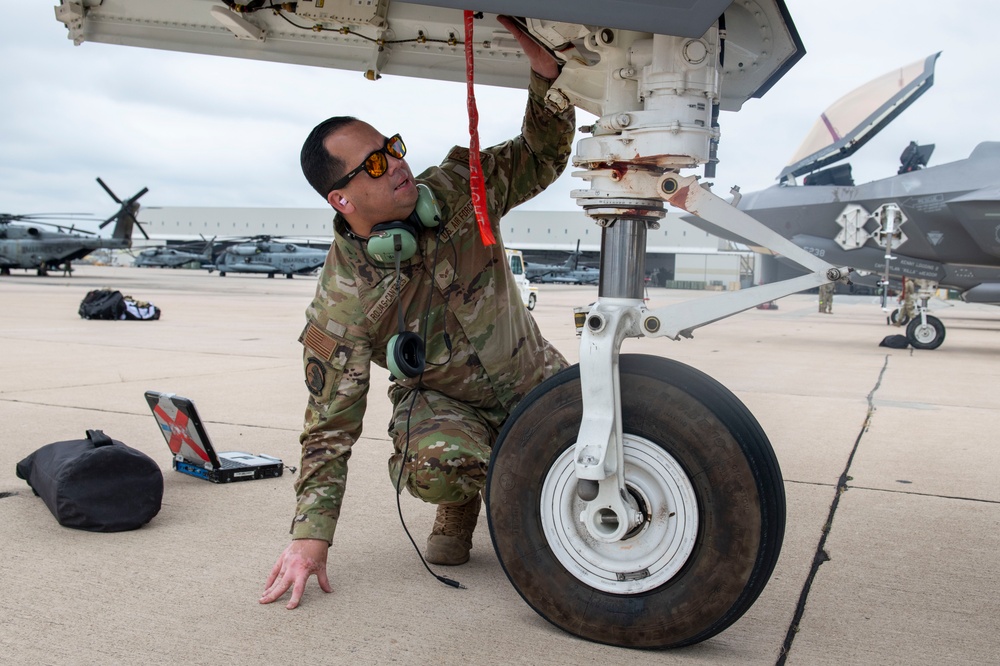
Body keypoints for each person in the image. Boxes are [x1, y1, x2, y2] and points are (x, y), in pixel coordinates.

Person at [259, 16, 575, 610]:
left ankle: (510, 461)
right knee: (436, 465)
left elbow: (540, 156)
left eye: (391, 149)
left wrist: (545, 78)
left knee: (607, 454)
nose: (397, 165)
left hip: (534, 373)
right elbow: (330, 425)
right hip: (444, 400)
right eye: (374, 166)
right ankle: (464, 493)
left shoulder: (455, 188)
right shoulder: (343, 300)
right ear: (343, 199)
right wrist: (309, 539)